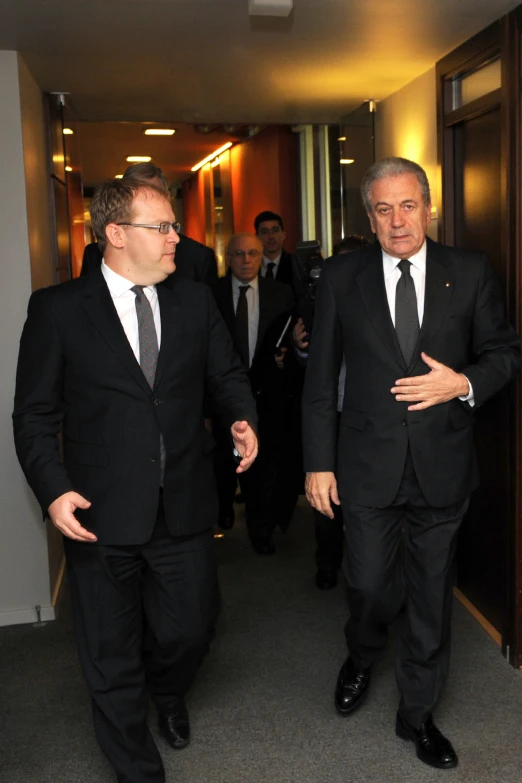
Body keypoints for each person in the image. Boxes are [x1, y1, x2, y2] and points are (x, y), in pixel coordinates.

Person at [13, 177, 258, 783]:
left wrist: (242, 418)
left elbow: (226, 375)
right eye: (165, 227)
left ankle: (168, 692)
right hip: (98, 511)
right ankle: (137, 771)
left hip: (184, 505)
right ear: (116, 234)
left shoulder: (195, 301)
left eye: (174, 225)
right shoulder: (58, 309)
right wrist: (51, 488)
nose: (179, 238)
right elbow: (36, 413)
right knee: (108, 653)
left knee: (192, 629)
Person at [302, 157, 520, 770]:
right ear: (368, 218)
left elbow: (505, 353)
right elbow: (320, 380)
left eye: (407, 206)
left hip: (443, 465)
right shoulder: (342, 277)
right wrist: (318, 463)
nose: (397, 221)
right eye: (382, 208)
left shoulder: (469, 271)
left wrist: (463, 384)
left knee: (430, 594)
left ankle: (417, 715)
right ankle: (363, 651)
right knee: (370, 586)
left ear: (428, 207)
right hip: (365, 464)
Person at [293, 235, 370, 590]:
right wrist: (300, 348)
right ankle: (328, 564)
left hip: (372, 420)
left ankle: (369, 574)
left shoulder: (381, 306)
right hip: (334, 415)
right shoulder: (323, 302)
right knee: (327, 497)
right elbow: (312, 368)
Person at [213, 233, 296, 554]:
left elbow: (291, 344)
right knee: (223, 462)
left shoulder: (282, 294)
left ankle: (261, 533)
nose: (246, 260)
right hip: (222, 400)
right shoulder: (211, 295)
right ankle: (223, 507)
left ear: (262, 257)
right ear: (227, 258)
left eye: (252, 253)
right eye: (238, 254)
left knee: (264, 469)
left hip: (267, 397)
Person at [81, 162, 218, 290]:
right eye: (137, 193)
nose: (174, 238)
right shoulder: (65, 305)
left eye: (154, 192)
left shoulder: (197, 262)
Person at [254, 210, 294, 287]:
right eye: (264, 232)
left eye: (275, 230)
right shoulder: (249, 265)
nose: (271, 236)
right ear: (257, 237)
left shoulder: (296, 265)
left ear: (283, 235)